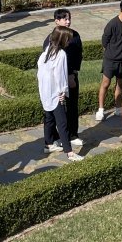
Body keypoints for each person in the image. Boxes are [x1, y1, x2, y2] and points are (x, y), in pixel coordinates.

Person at [38, 27, 84, 161]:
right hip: (55, 93)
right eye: (68, 39)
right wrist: (63, 91)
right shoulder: (61, 54)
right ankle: (69, 152)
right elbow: (61, 75)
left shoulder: (48, 50)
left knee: (49, 118)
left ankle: (49, 143)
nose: (69, 41)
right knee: (62, 122)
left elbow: (40, 68)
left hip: (45, 91)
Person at [44, 9, 83, 150]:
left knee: (72, 106)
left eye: (69, 18)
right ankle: (54, 137)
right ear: (57, 21)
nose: (68, 21)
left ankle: (73, 134)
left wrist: (73, 73)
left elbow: (78, 55)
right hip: (56, 80)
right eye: (65, 19)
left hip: (71, 76)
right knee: (54, 109)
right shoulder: (50, 39)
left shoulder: (75, 35)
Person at [97, 0, 122, 121]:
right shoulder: (112, 24)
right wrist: (111, 53)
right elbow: (105, 42)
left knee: (120, 85)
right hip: (110, 61)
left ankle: (118, 108)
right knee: (105, 83)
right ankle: (101, 109)